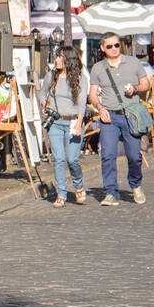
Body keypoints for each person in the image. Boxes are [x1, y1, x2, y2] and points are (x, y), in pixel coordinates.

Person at [89, 31, 150, 206]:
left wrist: (136, 88)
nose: (114, 48)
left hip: (130, 116)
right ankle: (110, 192)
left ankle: (135, 185)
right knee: (107, 155)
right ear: (102, 48)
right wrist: (100, 108)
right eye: (109, 46)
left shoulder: (133, 62)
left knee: (134, 156)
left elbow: (147, 84)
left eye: (117, 45)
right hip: (109, 117)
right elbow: (92, 94)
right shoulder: (98, 68)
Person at [41, 44, 88, 206]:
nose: (57, 60)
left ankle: (78, 185)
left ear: (69, 60)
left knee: (72, 158)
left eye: (60, 57)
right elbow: (42, 92)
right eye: (56, 56)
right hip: (55, 122)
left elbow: (82, 103)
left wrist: (79, 124)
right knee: (59, 158)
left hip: (74, 121)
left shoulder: (81, 78)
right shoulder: (51, 76)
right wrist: (43, 103)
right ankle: (61, 194)